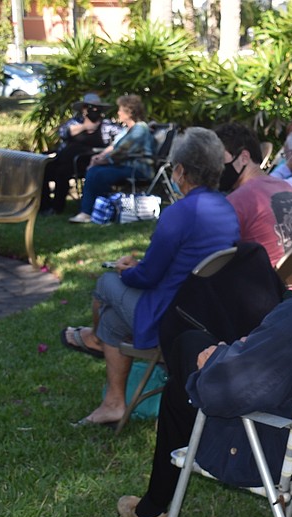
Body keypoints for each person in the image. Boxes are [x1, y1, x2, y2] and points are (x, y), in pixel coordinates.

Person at [116, 280, 292, 517]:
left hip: (275, 450)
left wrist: (219, 359)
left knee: (181, 387)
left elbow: (225, 392)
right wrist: (245, 352)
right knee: (194, 343)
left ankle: (152, 508)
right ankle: (152, 505)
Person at [60, 127, 240, 425]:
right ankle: (114, 403)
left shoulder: (180, 212)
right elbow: (187, 260)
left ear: (180, 170)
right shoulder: (226, 207)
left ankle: (92, 339)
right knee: (112, 320)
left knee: (106, 283)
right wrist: (140, 268)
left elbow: (147, 277)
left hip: (172, 317)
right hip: (207, 313)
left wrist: (126, 270)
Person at [215, 122, 292, 267]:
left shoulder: (237, 200)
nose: (217, 167)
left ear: (244, 157)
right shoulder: (286, 187)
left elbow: (215, 255)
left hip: (271, 286)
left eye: (220, 159)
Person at [69, 95, 155, 223]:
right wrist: (98, 157)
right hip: (124, 165)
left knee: (100, 173)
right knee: (95, 171)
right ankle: (94, 210)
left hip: (138, 168)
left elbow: (123, 151)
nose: (118, 112)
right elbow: (113, 146)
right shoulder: (127, 130)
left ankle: (93, 211)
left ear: (129, 112)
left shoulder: (140, 128)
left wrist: (103, 160)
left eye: (120, 110)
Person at [41, 93, 123, 215]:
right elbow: (63, 132)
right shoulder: (75, 122)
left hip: (87, 161)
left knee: (62, 172)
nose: (94, 110)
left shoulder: (106, 125)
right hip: (64, 158)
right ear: (84, 109)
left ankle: (57, 207)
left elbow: (123, 137)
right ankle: (44, 206)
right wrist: (84, 127)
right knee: (44, 169)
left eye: (97, 108)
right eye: (90, 107)